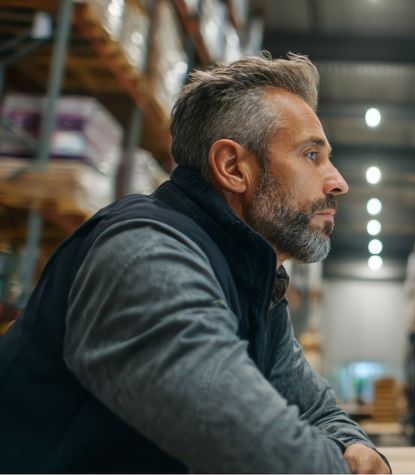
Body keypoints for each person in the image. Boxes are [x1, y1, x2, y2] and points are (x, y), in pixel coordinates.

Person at [0, 53, 391, 474]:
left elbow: (316, 410)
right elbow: (250, 445)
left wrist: (352, 443)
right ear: (232, 167)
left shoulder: (253, 279)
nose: (338, 181)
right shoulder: (145, 254)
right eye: (311, 156)